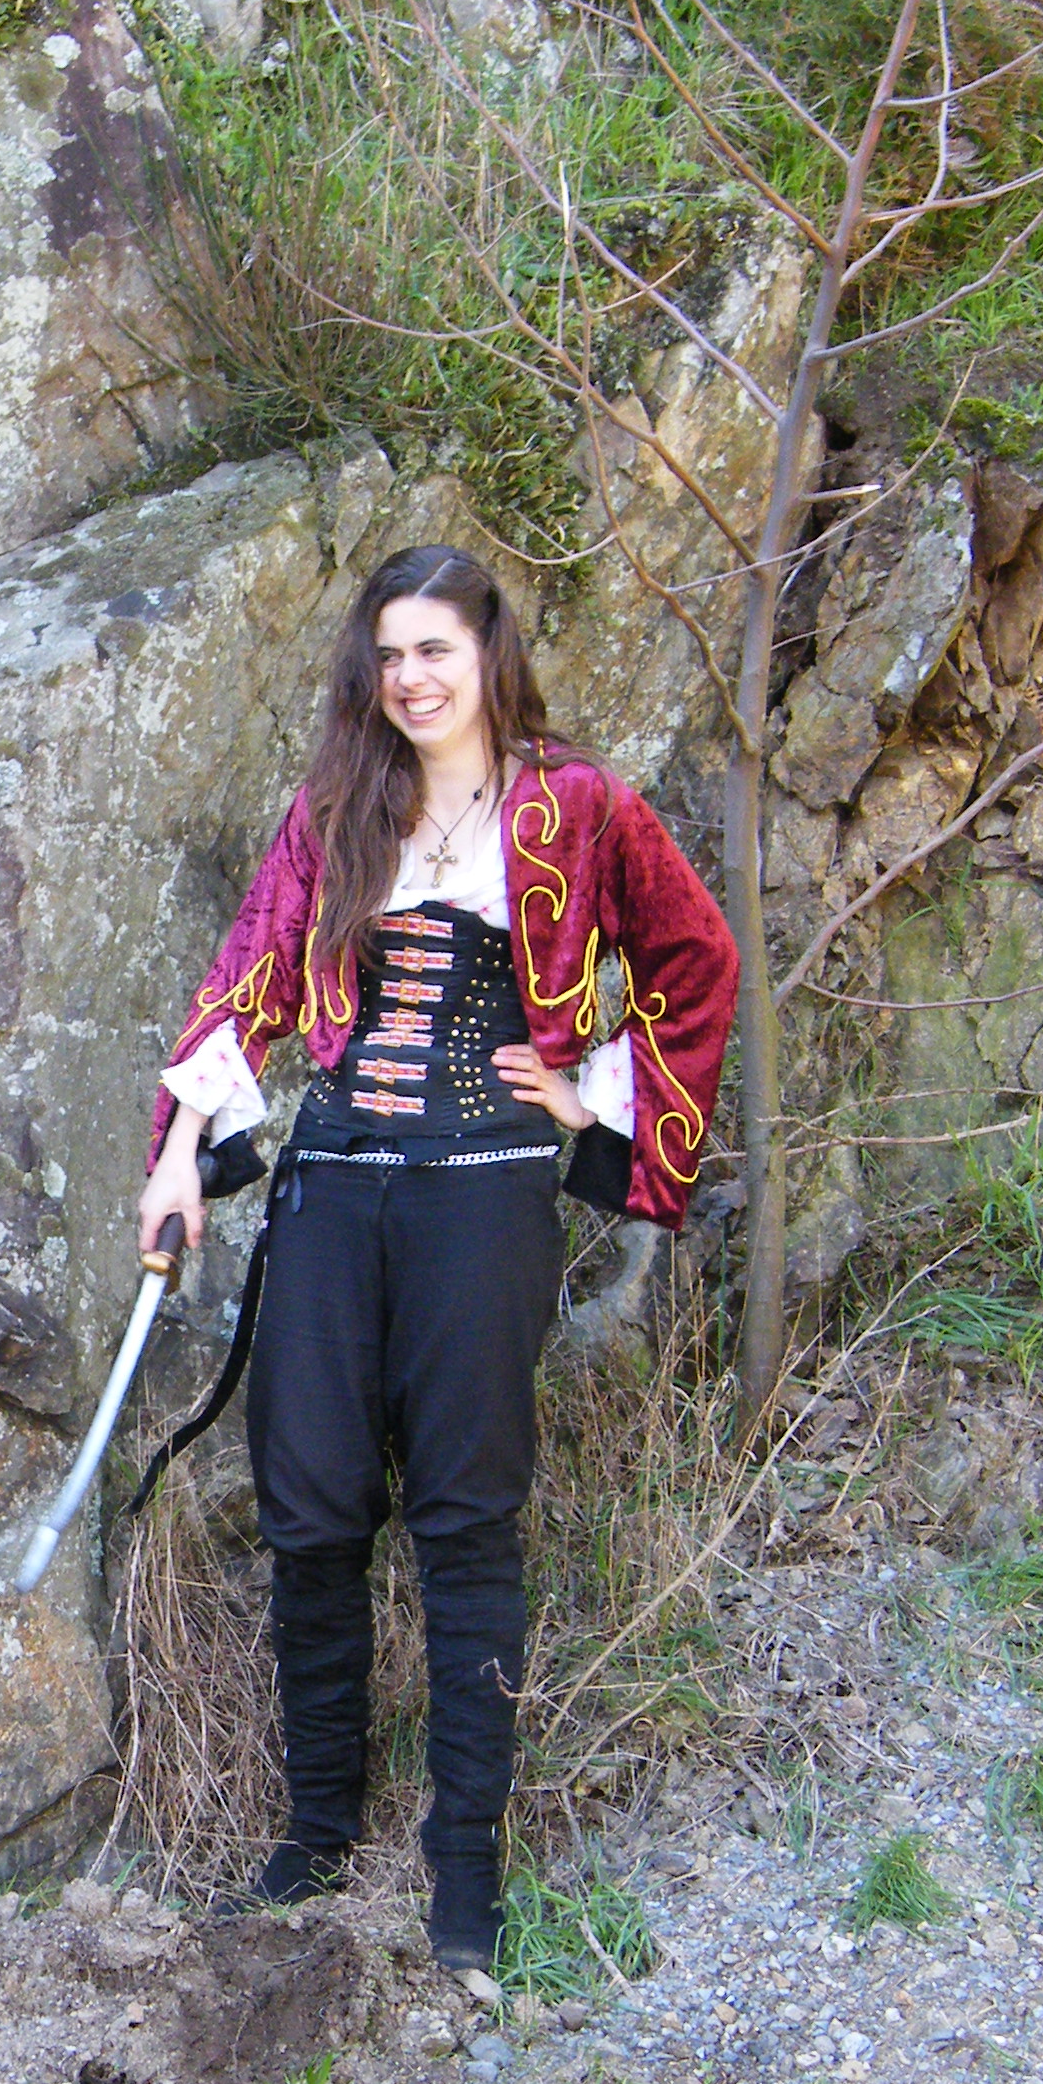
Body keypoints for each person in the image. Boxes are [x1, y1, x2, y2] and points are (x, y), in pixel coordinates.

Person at [135, 547, 738, 1969]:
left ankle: (465, 1876)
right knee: (310, 1507)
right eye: (390, 653)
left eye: (436, 650)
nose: (411, 678)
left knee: (467, 1515)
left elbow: (694, 959)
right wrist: (179, 1150)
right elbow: (249, 977)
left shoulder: (577, 805)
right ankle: (315, 1838)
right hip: (334, 1186)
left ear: (487, 654)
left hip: (482, 1193)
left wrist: (592, 1097)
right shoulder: (337, 809)